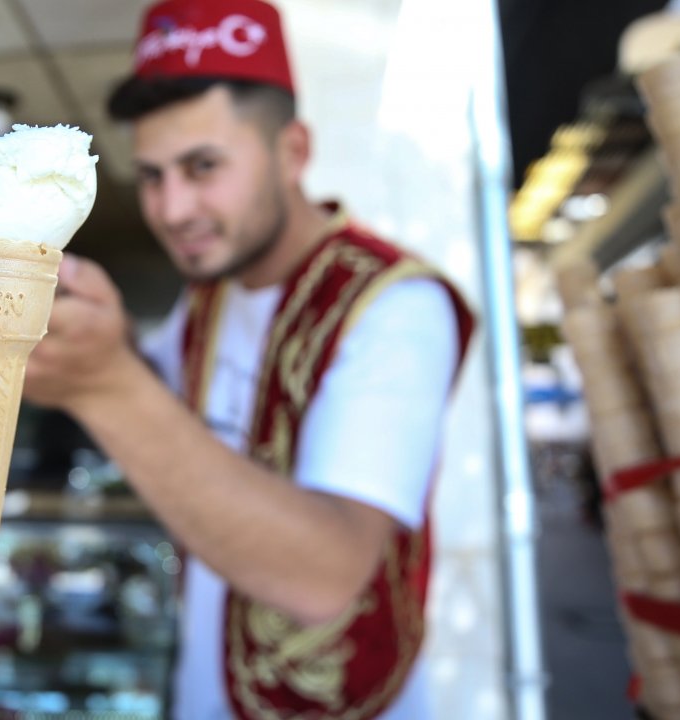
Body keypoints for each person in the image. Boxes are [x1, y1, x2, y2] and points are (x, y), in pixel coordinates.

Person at [23, 1, 475, 717]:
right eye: (152, 176)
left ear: (292, 152)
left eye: (203, 167)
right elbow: (159, 395)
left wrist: (103, 384)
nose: (172, 209)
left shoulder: (394, 306)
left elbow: (327, 575)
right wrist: (92, 334)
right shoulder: (210, 293)